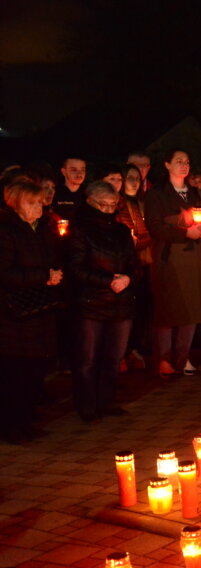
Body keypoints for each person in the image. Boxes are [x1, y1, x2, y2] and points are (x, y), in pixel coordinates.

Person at [65, 181, 138, 421]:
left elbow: (134, 263)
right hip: (92, 303)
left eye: (112, 205)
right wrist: (107, 280)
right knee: (88, 358)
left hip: (120, 302)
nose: (108, 209)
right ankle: (86, 405)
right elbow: (76, 268)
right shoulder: (81, 231)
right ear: (90, 203)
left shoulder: (121, 231)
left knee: (113, 357)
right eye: (103, 205)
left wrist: (127, 278)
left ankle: (107, 400)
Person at [0, 180, 63, 443]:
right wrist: (43, 276)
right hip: (15, 314)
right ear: (15, 203)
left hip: (37, 310)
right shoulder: (7, 231)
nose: (39, 207)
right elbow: (4, 273)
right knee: (17, 372)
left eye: (40, 202)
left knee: (33, 369)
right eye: (32, 202)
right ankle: (12, 426)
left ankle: (25, 421)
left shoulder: (39, 229)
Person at [144, 149, 201, 378]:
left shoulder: (194, 193)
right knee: (168, 308)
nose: (184, 165)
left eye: (187, 161)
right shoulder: (157, 194)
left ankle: (183, 358)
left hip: (193, 257)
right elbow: (155, 226)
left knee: (191, 308)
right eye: (179, 161)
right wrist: (184, 233)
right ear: (167, 164)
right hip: (169, 257)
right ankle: (163, 359)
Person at [119, 163, 149, 371]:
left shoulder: (141, 203)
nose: (134, 181)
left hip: (144, 262)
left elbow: (146, 231)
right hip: (125, 264)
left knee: (141, 308)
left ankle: (134, 348)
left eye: (137, 178)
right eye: (129, 177)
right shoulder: (119, 204)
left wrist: (141, 239)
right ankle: (122, 352)